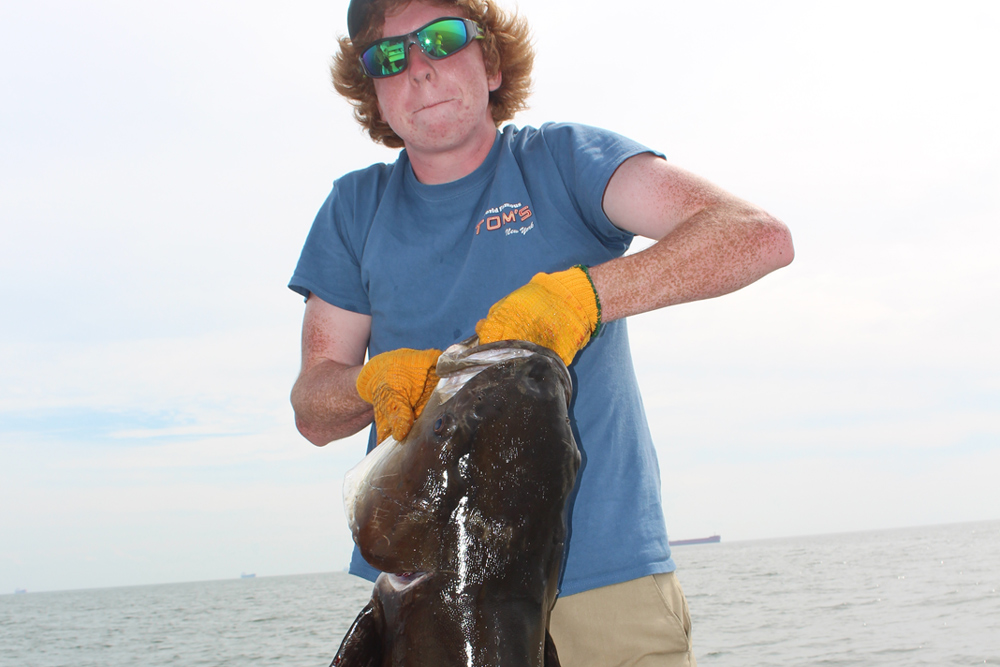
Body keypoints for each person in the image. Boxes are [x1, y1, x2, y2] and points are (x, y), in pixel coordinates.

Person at [288, 0, 793, 664]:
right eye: (389, 56)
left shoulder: (565, 161)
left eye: (442, 40)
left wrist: (581, 295)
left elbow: (754, 236)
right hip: (422, 596)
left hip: (604, 583)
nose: (419, 70)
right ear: (373, 91)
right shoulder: (355, 210)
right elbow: (314, 409)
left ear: (491, 61)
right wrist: (368, 381)